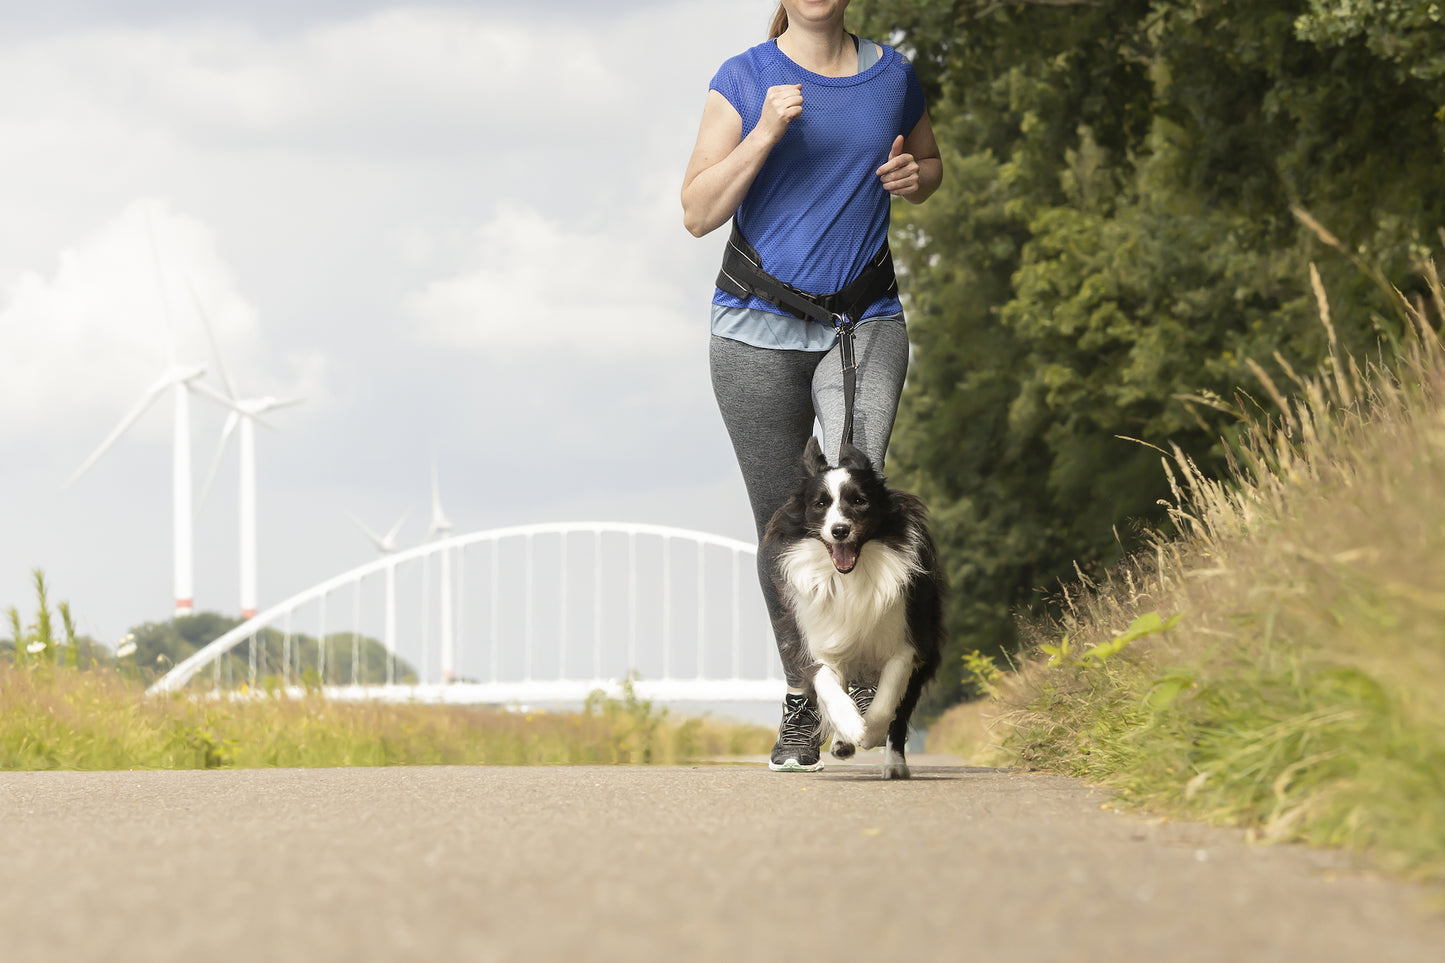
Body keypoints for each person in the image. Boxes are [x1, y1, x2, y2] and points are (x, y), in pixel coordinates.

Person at [681, 0, 943, 771]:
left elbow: (928, 169)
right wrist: (763, 132)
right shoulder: (743, 78)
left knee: (852, 485)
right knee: (783, 523)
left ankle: (864, 676)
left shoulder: (892, 75)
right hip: (752, 329)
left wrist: (913, 177)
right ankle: (805, 693)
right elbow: (696, 212)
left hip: (861, 321)